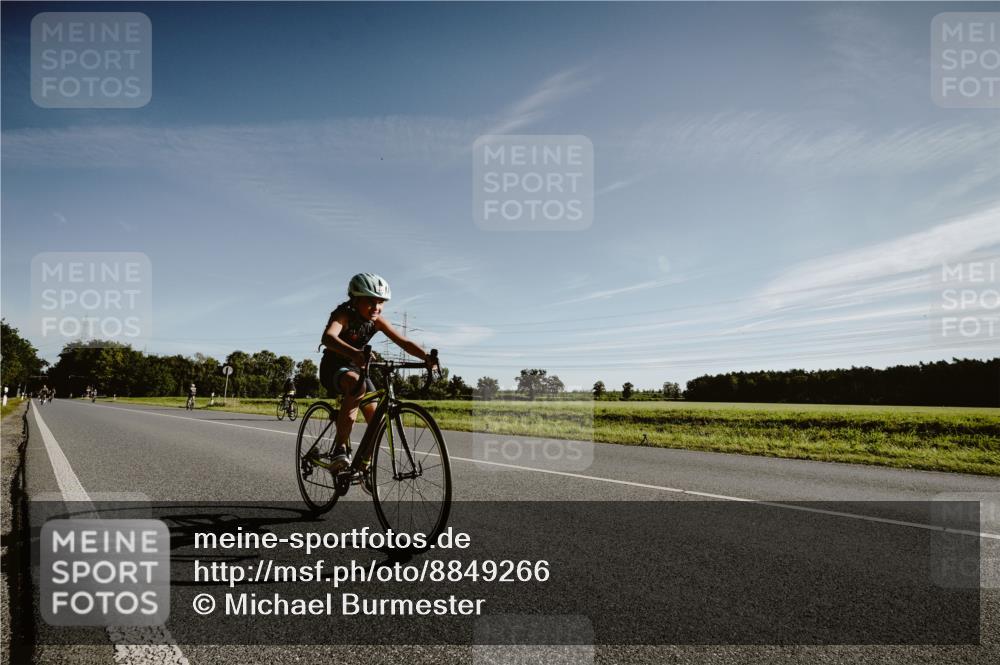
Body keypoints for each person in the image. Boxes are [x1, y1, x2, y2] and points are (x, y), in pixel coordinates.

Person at [319, 273, 437, 471]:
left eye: (381, 302)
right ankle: (338, 449)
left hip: (359, 369)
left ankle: (364, 465)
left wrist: (425, 357)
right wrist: (354, 353)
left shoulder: (377, 321)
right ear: (356, 299)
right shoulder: (343, 314)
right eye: (370, 302)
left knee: (377, 421)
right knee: (356, 386)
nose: (376, 308)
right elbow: (328, 338)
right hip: (333, 367)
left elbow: (404, 342)